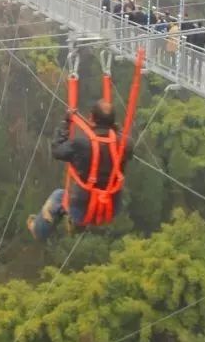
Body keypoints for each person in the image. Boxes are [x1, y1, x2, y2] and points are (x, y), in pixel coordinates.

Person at [28, 100, 131, 240]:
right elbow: (125, 146)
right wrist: (117, 131)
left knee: (59, 196)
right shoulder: (125, 145)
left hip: (82, 209)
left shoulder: (81, 145)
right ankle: (77, 223)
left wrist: (65, 124)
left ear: (91, 118)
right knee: (82, 195)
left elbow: (57, 151)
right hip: (111, 207)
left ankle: (38, 230)